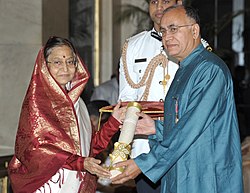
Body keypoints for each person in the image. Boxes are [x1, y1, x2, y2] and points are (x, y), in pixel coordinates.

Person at [112, 5, 244, 193]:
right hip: (181, 171)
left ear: (194, 30)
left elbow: (190, 129)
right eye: (164, 31)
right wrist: (156, 129)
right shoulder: (184, 69)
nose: (167, 37)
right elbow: (182, 123)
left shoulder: (210, 70)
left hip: (205, 175)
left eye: (174, 29)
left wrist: (145, 163)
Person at [8, 36, 125, 193]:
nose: (65, 68)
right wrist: (81, 163)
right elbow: (36, 150)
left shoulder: (78, 104)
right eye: (57, 62)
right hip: (47, 186)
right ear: (44, 66)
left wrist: (113, 122)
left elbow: (90, 148)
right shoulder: (38, 104)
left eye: (70, 62)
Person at [118, 1, 212, 192]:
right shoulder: (134, 45)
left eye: (166, 0)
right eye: (154, 1)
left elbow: (195, 120)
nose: (159, 6)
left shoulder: (199, 54)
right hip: (145, 148)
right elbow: (126, 102)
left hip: (185, 151)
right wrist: (124, 149)